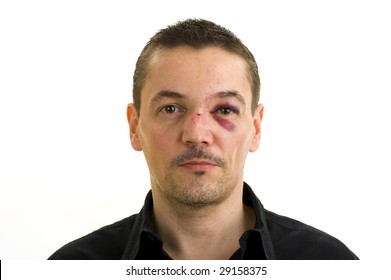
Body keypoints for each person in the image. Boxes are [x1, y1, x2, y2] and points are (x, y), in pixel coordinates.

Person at [49, 18, 358, 260]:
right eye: (170, 108)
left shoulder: (329, 264)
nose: (197, 134)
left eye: (224, 109)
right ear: (134, 126)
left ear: (256, 128)